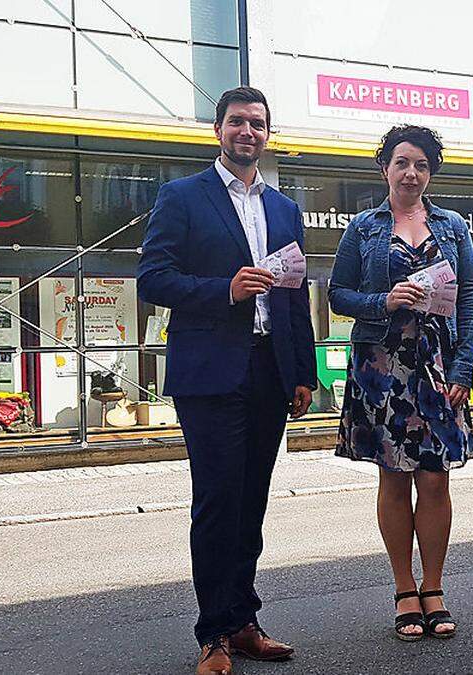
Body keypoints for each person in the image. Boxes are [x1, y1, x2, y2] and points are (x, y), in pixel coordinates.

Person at [137, 86, 316, 675]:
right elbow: (154, 279)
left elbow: (293, 300)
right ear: (218, 130)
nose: (248, 131)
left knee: (252, 502)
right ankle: (212, 633)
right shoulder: (183, 196)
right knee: (218, 501)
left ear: (269, 134)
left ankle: (243, 622)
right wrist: (225, 290)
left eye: (258, 123)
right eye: (237, 121)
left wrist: (303, 373)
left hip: (269, 371)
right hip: (210, 373)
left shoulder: (284, 208)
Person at [330, 125, 473, 642]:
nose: (410, 172)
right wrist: (382, 302)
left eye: (420, 164)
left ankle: (434, 587)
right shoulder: (364, 228)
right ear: (385, 168)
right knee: (393, 477)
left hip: (439, 367)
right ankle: (403, 589)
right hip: (381, 365)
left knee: (435, 478)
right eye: (401, 163)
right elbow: (338, 295)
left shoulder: (454, 226)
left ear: (430, 171)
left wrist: (463, 368)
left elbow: (470, 302)